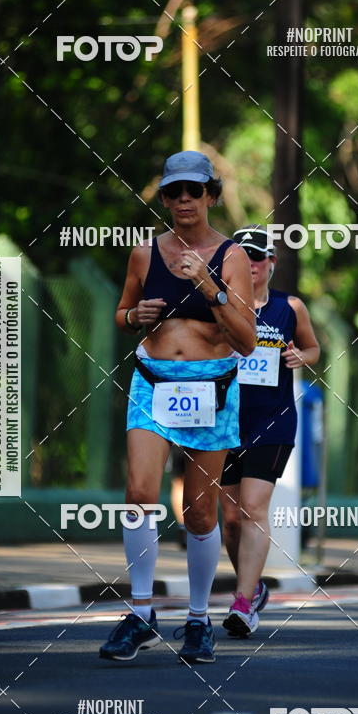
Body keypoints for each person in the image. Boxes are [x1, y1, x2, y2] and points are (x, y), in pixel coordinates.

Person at [99, 151, 255, 664]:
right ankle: (140, 612)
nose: (184, 200)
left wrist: (208, 285)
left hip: (211, 386)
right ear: (164, 198)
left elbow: (248, 340)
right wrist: (132, 316)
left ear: (211, 195)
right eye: (174, 192)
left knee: (199, 510)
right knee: (140, 492)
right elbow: (122, 312)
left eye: (194, 191)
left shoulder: (231, 255)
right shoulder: (144, 253)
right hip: (152, 381)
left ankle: (196, 619)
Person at [219, 226, 321, 636]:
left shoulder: (289, 308)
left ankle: (242, 604)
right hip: (226, 420)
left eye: (258, 257)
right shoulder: (221, 304)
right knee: (229, 519)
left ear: (271, 263)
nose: (252, 265)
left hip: (272, 421)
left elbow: (313, 346)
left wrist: (302, 355)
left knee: (253, 508)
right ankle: (254, 585)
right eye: (243, 258)